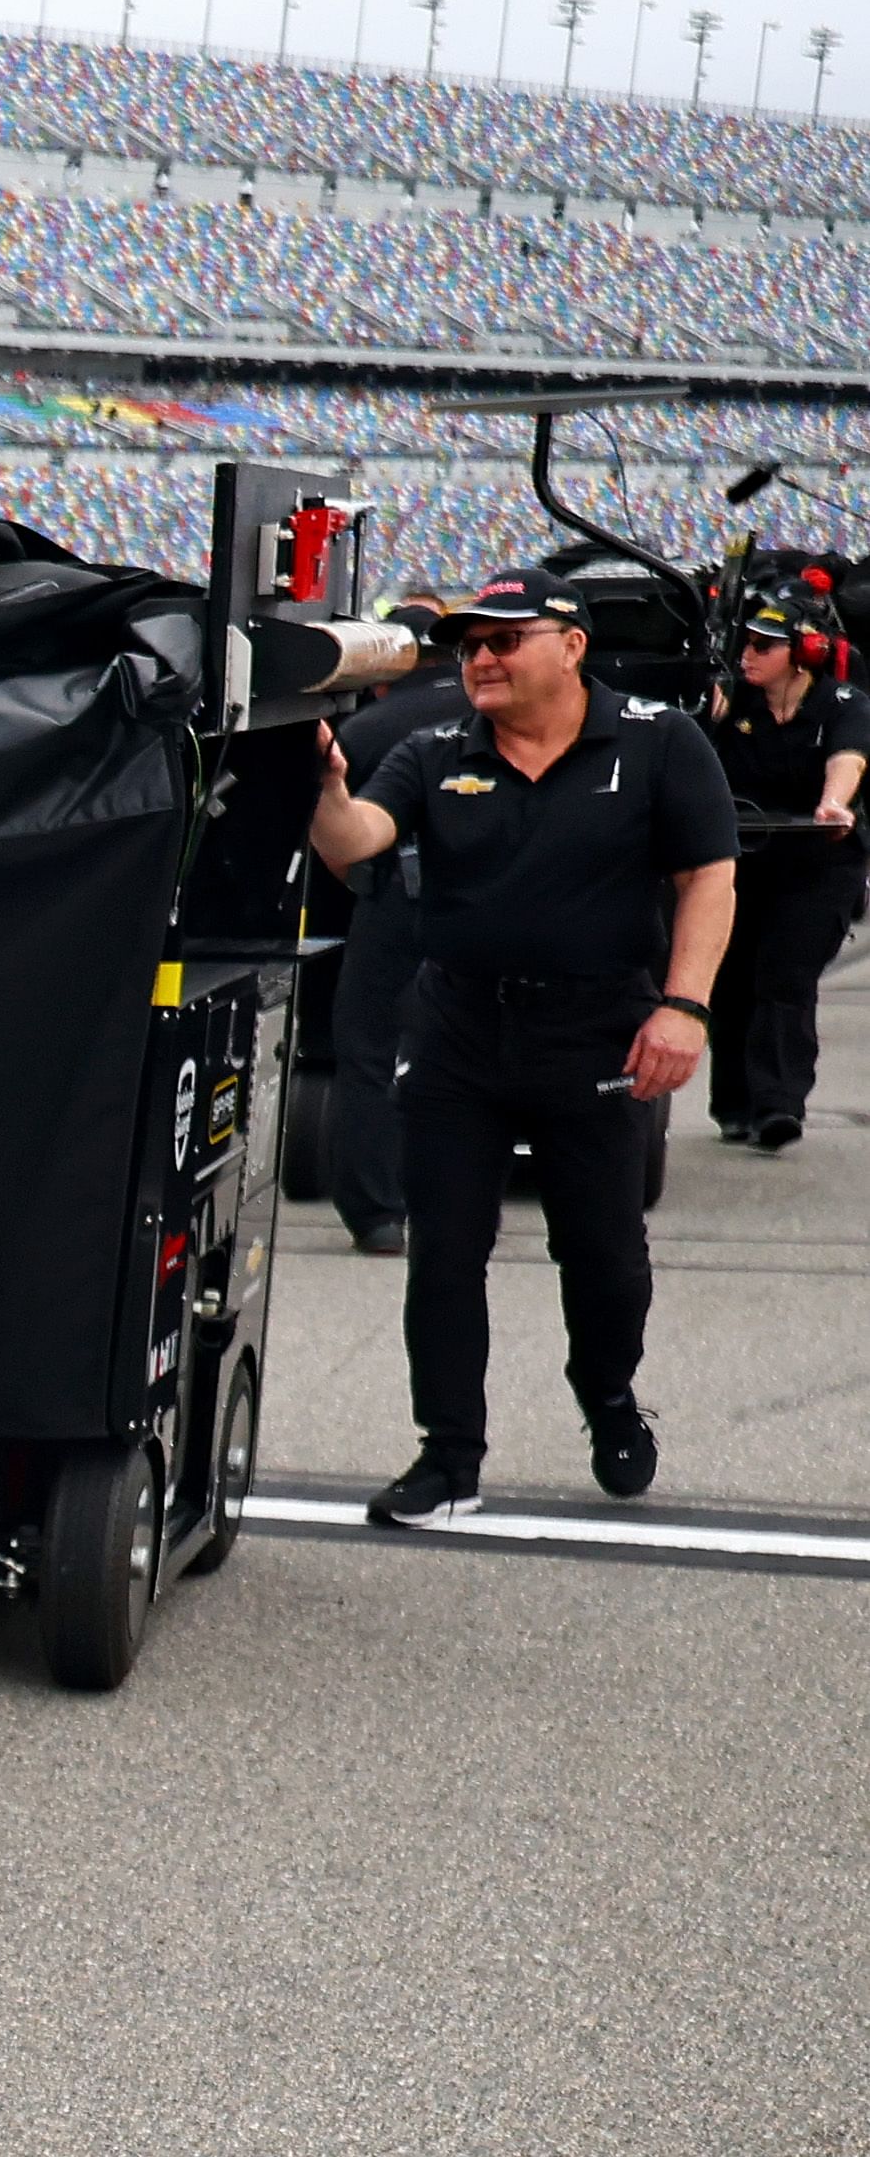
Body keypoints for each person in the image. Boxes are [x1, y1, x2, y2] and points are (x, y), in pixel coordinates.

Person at [310, 567, 738, 1521]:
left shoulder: (660, 741)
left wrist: (684, 1008)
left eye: (504, 639)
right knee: (445, 1253)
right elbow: (359, 838)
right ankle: (448, 1455)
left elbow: (708, 877)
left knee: (602, 1254)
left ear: (571, 645)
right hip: (459, 1028)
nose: (481, 658)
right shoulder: (431, 750)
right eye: (469, 645)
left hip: (596, 1030)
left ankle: (610, 1399)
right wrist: (324, 791)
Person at [307, 601, 468, 1251]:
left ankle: (377, 1213)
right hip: (500, 898)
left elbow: (336, 848)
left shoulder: (367, 728)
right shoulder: (505, 715)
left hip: (397, 897)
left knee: (368, 1048)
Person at [702, 602, 866, 1149]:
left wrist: (832, 805)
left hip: (817, 861)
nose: (748, 655)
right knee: (731, 980)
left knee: (785, 975)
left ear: (801, 657)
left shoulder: (843, 705)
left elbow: (849, 757)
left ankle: (778, 1104)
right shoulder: (733, 703)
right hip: (743, 858)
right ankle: (733, 1103)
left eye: (762, 646)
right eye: (745, 644)